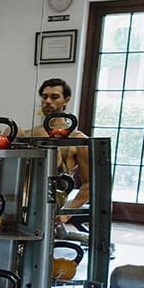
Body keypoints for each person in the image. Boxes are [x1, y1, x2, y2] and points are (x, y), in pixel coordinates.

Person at [24, 77, 91, 221]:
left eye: (54, 97)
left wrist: (66, 213)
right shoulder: (29, 134)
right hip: (22, 202)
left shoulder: (77, 138)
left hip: (53, 201)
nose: (48, 101)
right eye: (44, 97)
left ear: (66, 100)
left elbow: (89, 184)